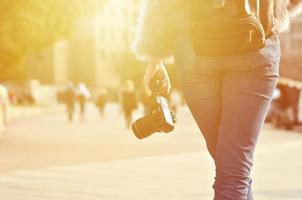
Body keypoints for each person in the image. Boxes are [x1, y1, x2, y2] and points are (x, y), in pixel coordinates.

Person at [132, 1, 302, 199]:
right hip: (256, 38)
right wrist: (275, 11)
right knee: (234, 170)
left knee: (232, 169)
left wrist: (155, 56)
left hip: (193, 47)